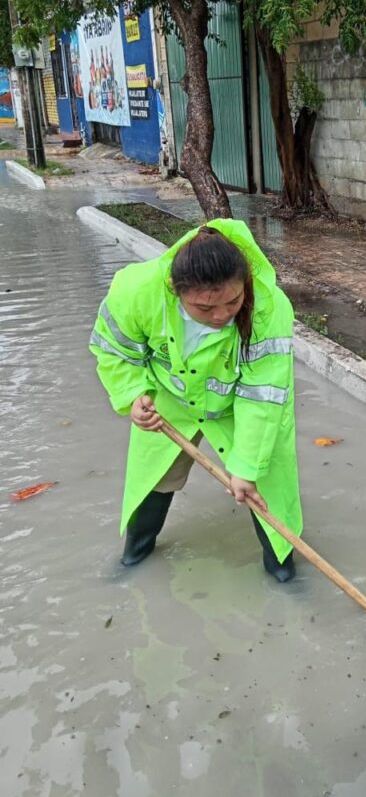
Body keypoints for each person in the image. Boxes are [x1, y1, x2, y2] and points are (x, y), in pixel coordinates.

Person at [90, 219, 302, 582]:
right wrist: (133, 395)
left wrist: (246, 468)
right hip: (170, 404)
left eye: (233, 301)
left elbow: (263, 396)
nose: (221, 316)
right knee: (154, 478)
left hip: (241, 406)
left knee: (265, 483)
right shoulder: (138, 291)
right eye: (205, 308)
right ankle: (134, 557)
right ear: (176, 290)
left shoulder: (268, 307)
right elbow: (113, 349)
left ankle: (281, 567)